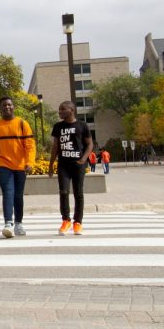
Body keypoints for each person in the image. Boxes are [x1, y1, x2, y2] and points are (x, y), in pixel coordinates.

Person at [0, 96, 36, 238]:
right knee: (8, 193)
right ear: (0, 109)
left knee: (18, 195)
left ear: (13, 106)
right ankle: (8, 223)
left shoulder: (22, 124)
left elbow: (30, 146)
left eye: (9, 105)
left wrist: (29, 162)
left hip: (20, 166)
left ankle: (19, 223)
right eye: (4, 105)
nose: (7, 107)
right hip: (3, 165)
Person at [49, 101, 93, 236]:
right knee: (63, 191)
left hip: (78, 164)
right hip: (63, 165)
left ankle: (77, 222)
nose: (60, 112)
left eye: (63, 109)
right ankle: (66, 220)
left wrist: (83, 159)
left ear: (71, 110)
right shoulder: (58, 126)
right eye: (59, 109)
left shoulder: (82, 125)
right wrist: (51, 164)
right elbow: (55, 146)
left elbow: (90, 144)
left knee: (78, 193)